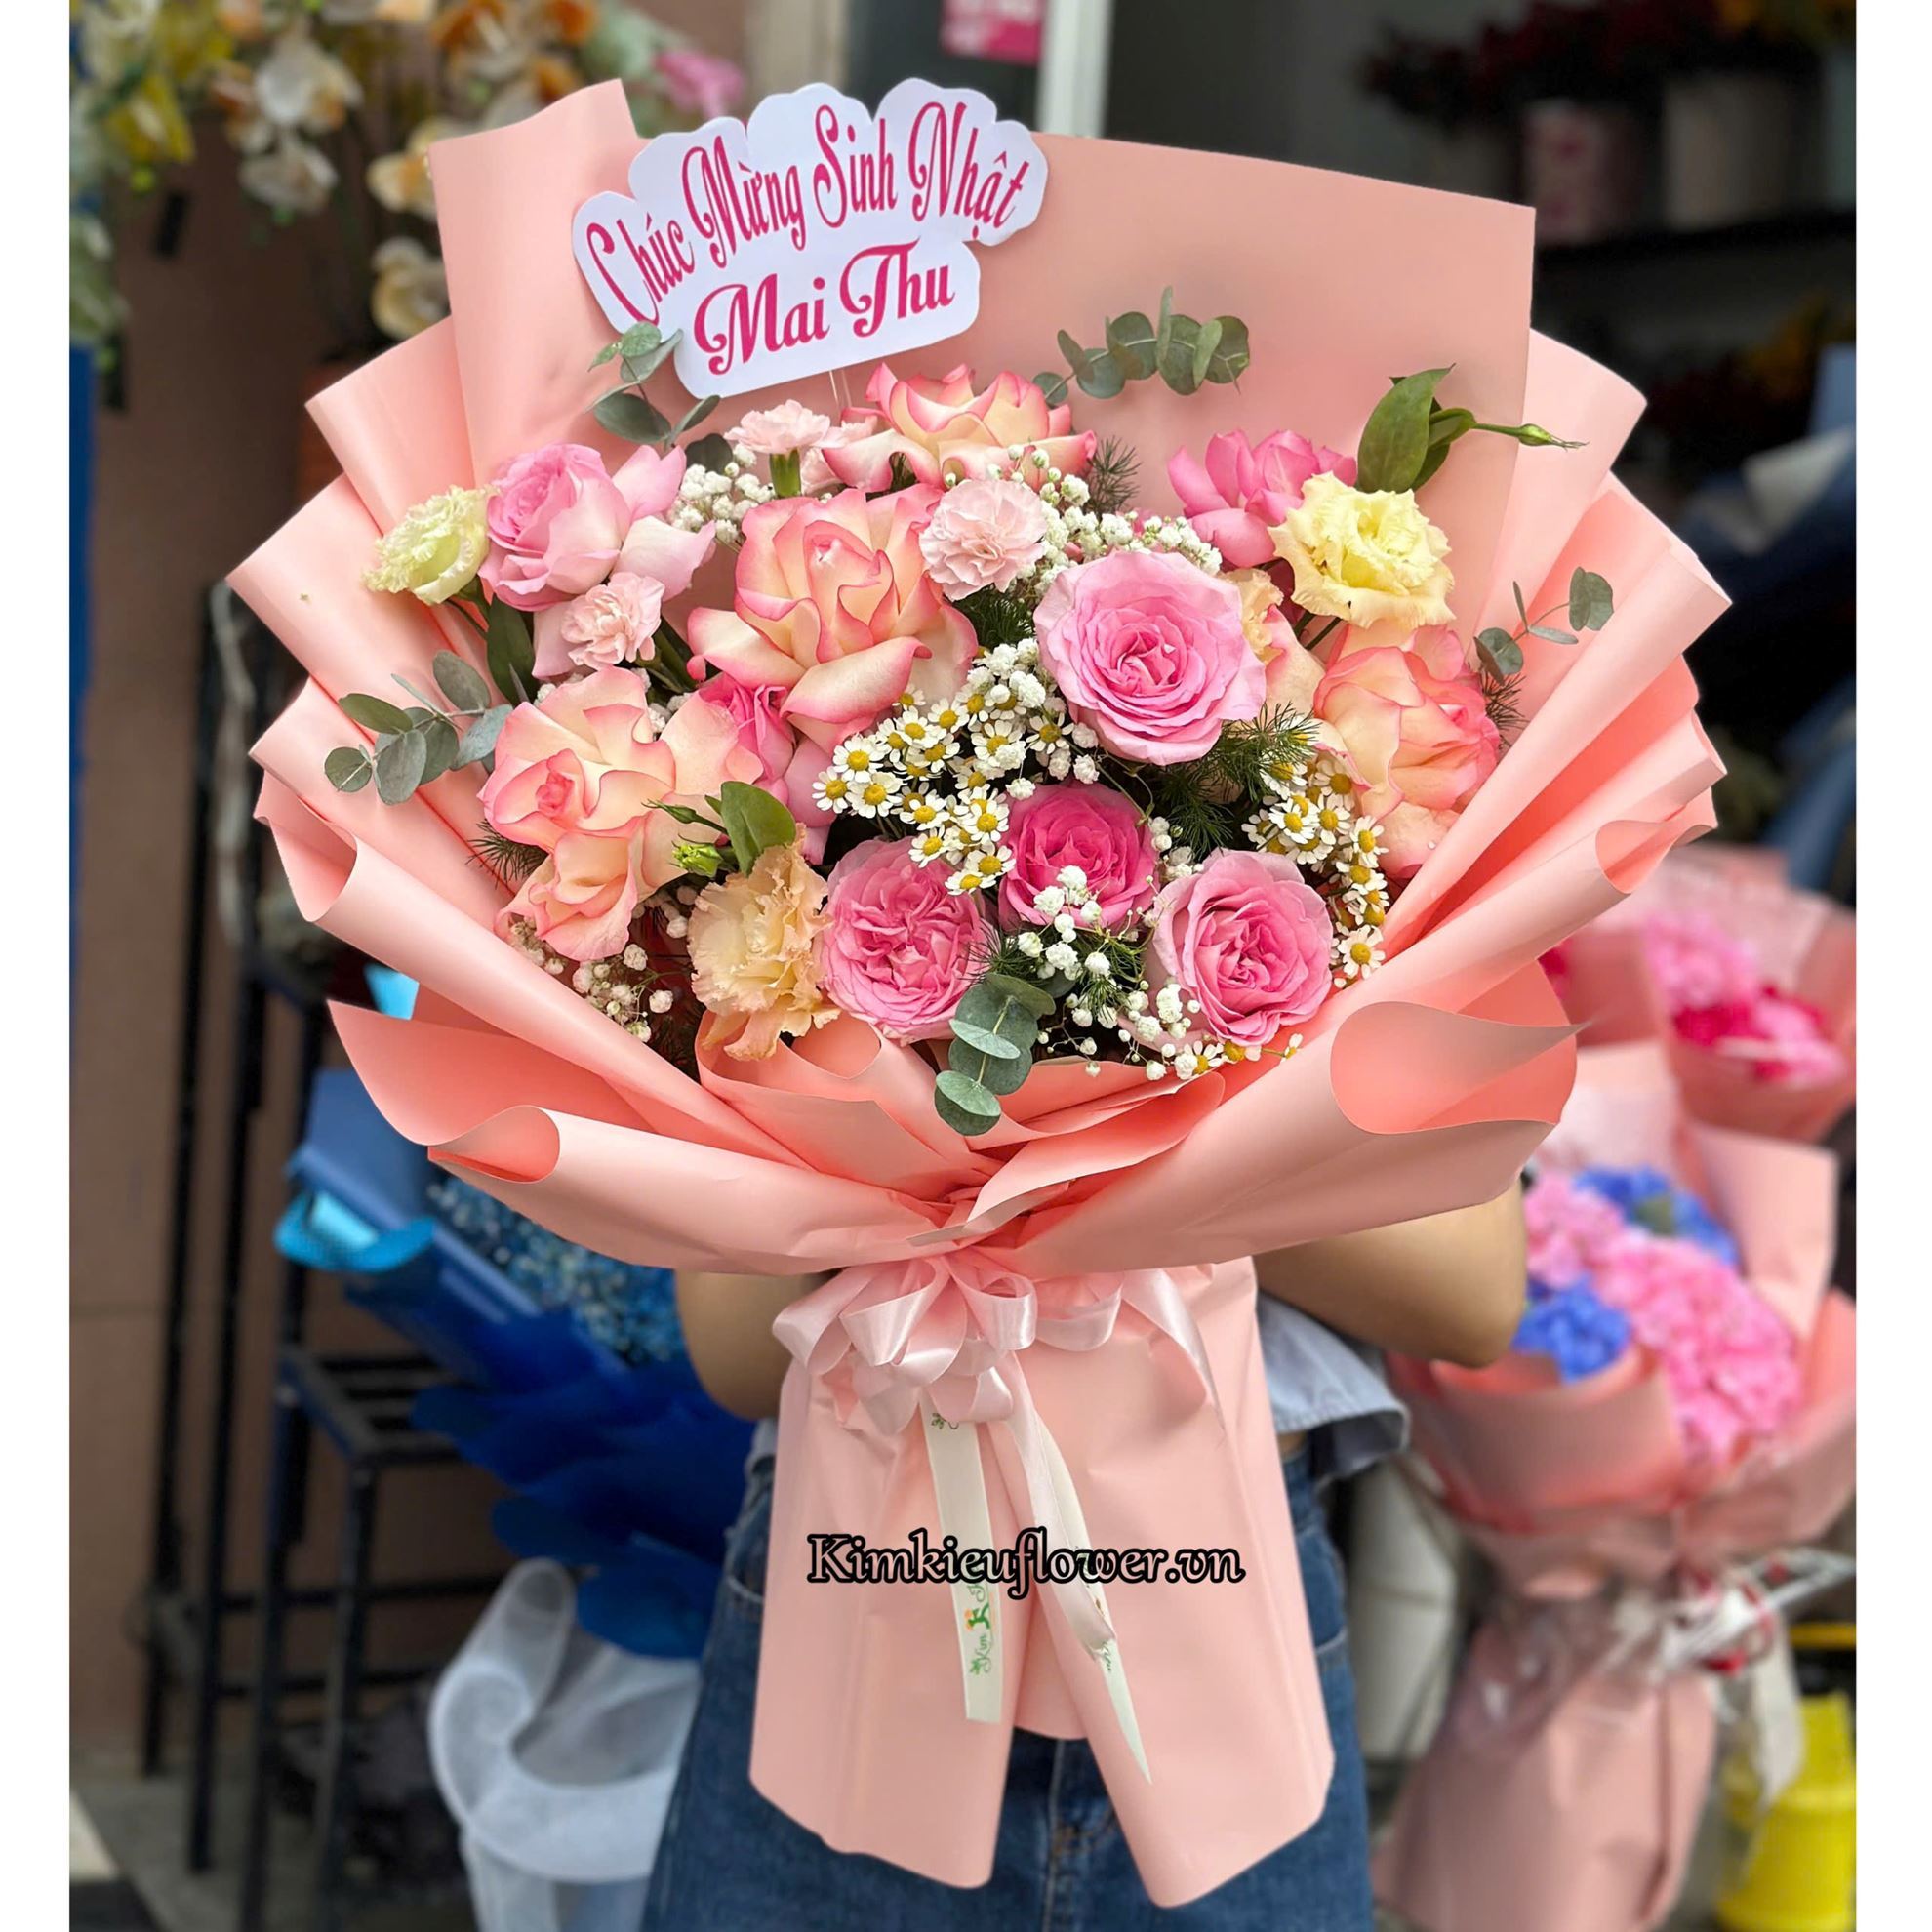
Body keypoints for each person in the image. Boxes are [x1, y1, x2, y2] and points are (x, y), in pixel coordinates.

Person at [644, 1187, 1526, 1930]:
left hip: (1217, 1577)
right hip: (871, 1558)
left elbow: (1471, 1296)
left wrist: (1097, 1145)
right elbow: (736, 1358)